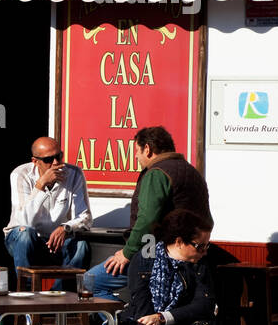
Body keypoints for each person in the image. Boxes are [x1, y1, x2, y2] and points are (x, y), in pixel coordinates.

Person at [85, 126, 213, 298]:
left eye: (137, 151)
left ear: (148, 149)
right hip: (192, 255)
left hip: (154, 254)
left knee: (91, 281)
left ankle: (122, 324)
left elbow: (147, 219)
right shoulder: (192, 172)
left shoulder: (157, 173)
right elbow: (208, 220)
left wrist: (127, 253)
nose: (136, 156)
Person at [3, 136, 92, 277]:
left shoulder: (74, 174)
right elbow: (24, 221)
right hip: (24, 238)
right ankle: (27, 292)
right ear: (35, 162)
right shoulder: (21, 174)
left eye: (59, 156)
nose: (56, 163)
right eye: (48, 160)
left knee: (81, 245)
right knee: (25, 234)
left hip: (56, 240)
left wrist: (65, 228)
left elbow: (85, 217)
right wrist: (40, 185)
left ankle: (60, 293)